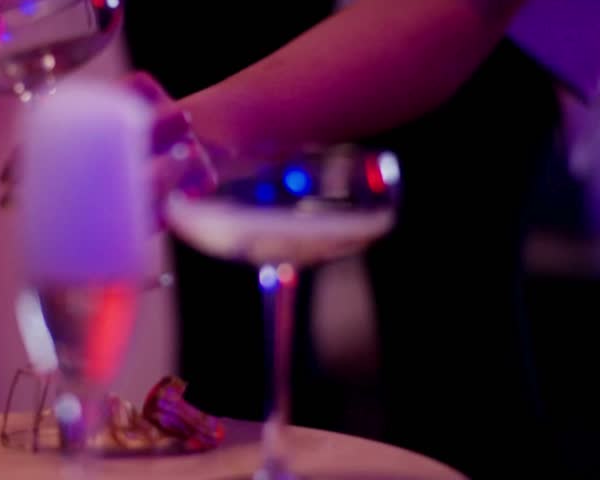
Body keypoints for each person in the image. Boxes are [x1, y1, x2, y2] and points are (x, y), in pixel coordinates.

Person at [123, 0, 565, 477]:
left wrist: (196, 129)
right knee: (231, 371)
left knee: (454, 354)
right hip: (210, 33)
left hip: (464, 50)